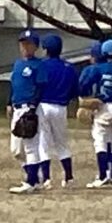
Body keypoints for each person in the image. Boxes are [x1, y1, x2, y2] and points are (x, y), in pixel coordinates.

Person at [74, 38, 112, 188]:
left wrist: (86, 98)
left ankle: (102, 176)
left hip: (103, 107)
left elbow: (83, 86)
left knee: (100, 142)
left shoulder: (98, 69)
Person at [33, 32, 80, 186]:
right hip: (61, 107)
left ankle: (46, 178)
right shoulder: (69, 67)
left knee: (43, 142)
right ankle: (69, 177)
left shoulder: (41, 65)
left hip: (43, 106)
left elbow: (36, 87)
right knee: (62, 143)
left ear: (45, 49)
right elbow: (75, 91)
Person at [7, 28, 46, 193]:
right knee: (16, 150)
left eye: (29, 44)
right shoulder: (18, 64)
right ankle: (34, 176)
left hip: (30, 108)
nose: (25, 47)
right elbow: (14, 85)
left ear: (35, 47)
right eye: (23, 43)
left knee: (31, 146)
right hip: (17, 107)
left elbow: (41, 87)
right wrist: (9, 103)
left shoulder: (39, 65)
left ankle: (31, 182)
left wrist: (33, 107)